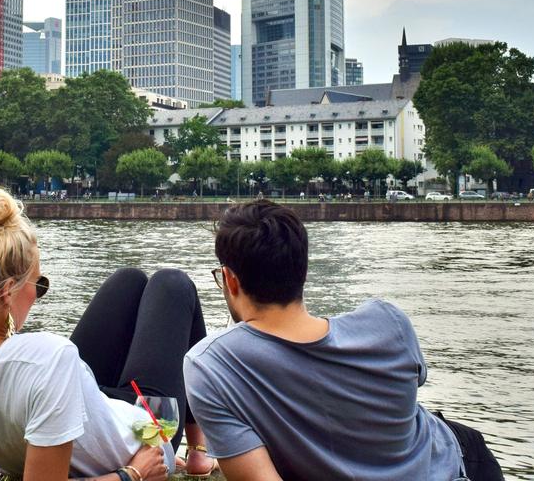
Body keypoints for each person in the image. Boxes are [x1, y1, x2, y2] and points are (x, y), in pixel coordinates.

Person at [0, 185, 215, 481]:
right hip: (146, 432)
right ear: (8, 292)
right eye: (38, 285)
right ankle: (199, 452)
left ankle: (199, 450)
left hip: (90, 406)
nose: (36, 296)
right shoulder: (46, 357)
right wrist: (131, 474)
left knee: (128, 279)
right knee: (172, 283)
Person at [184, 200, 503, 481]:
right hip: (456, 462)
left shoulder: (210, 366)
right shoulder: (386, 320)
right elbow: (409, 389)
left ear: (230, 280)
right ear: (303, 271)